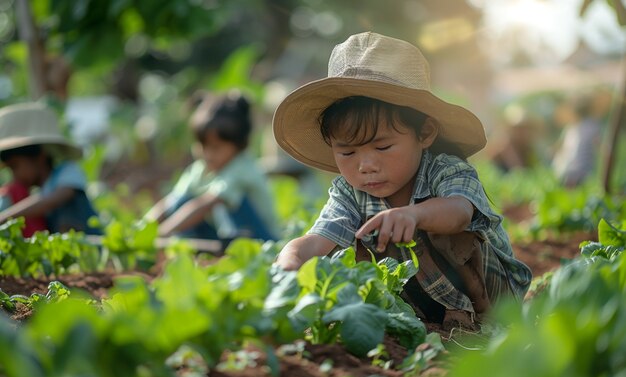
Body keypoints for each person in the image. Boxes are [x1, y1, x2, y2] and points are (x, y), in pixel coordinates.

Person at [272, 32, 532, 329]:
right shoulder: (349, 192)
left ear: (425, 134)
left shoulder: (446, 169)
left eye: (382, 147)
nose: (366, 165)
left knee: (437, 224)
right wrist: (289, 261)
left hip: (494, 298)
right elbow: (318, 239)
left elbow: (460, 212)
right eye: (347, 152)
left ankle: (474, 320)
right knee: (349, 245)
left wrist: (414, 214)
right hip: (420, 307)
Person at [145, 91, 278, 241]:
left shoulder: (242, 167)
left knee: (210, 204)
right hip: (232, 238)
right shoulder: (202, 168)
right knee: (179, 202)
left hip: (263, 240)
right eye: (202, 145)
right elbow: (171, 201)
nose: (207, 154)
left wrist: (161, 233)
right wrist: (142, 228)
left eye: (216, 148)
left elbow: (205, 204)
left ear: (238, 146)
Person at [0, 102, 101, 234]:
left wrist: (5, 218)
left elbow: (51, 199)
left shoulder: (67, 171)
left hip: (93, 250)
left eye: (15, 166)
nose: (15, 175)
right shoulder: (39, 192)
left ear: (39, 157)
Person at [552, 92, 605, 187]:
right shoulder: (574, 127)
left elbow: (600, 147)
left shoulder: (587, 126)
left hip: (578, 170)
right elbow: (600, 147)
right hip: (575, 171)